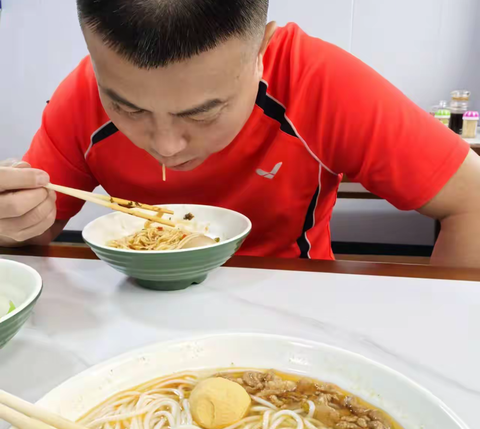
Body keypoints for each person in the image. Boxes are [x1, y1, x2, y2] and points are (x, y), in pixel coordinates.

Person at [1, 0, 480, 266]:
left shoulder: (320, 81)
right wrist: (14, 220)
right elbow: (34, 233)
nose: (165, 147)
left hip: (296, 305)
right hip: (136, 302)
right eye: (126, 107)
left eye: (204, 113)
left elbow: (471, 200)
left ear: (262, 51)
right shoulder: (81, 96)